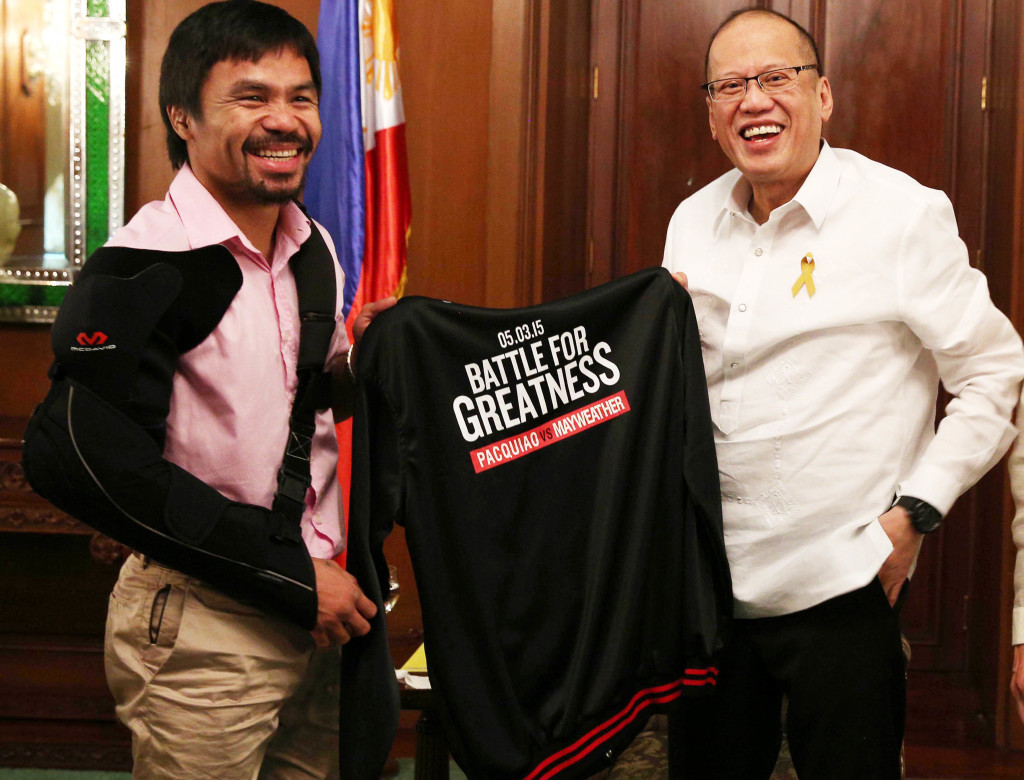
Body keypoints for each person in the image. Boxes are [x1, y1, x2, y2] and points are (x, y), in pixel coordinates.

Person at [23, 1, 395, 777]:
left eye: (300, 97)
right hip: (205, 623)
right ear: (183, 117)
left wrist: (374, 362)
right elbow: (72, 456)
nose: (284, 121)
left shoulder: (311, 246)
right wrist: (286, 576)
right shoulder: (142, 262)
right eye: (252, 98)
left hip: (322, 615)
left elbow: (300, 398)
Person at [662, 8, 1024, 779]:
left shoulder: (901, 215)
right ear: (712, 116)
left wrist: (917, 511)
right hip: (709, 592)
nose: (753, 100)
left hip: (845, 583)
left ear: (822, 95)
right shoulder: (691, 222)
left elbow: (995, 371)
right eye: (730, 85)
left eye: (776, 78)